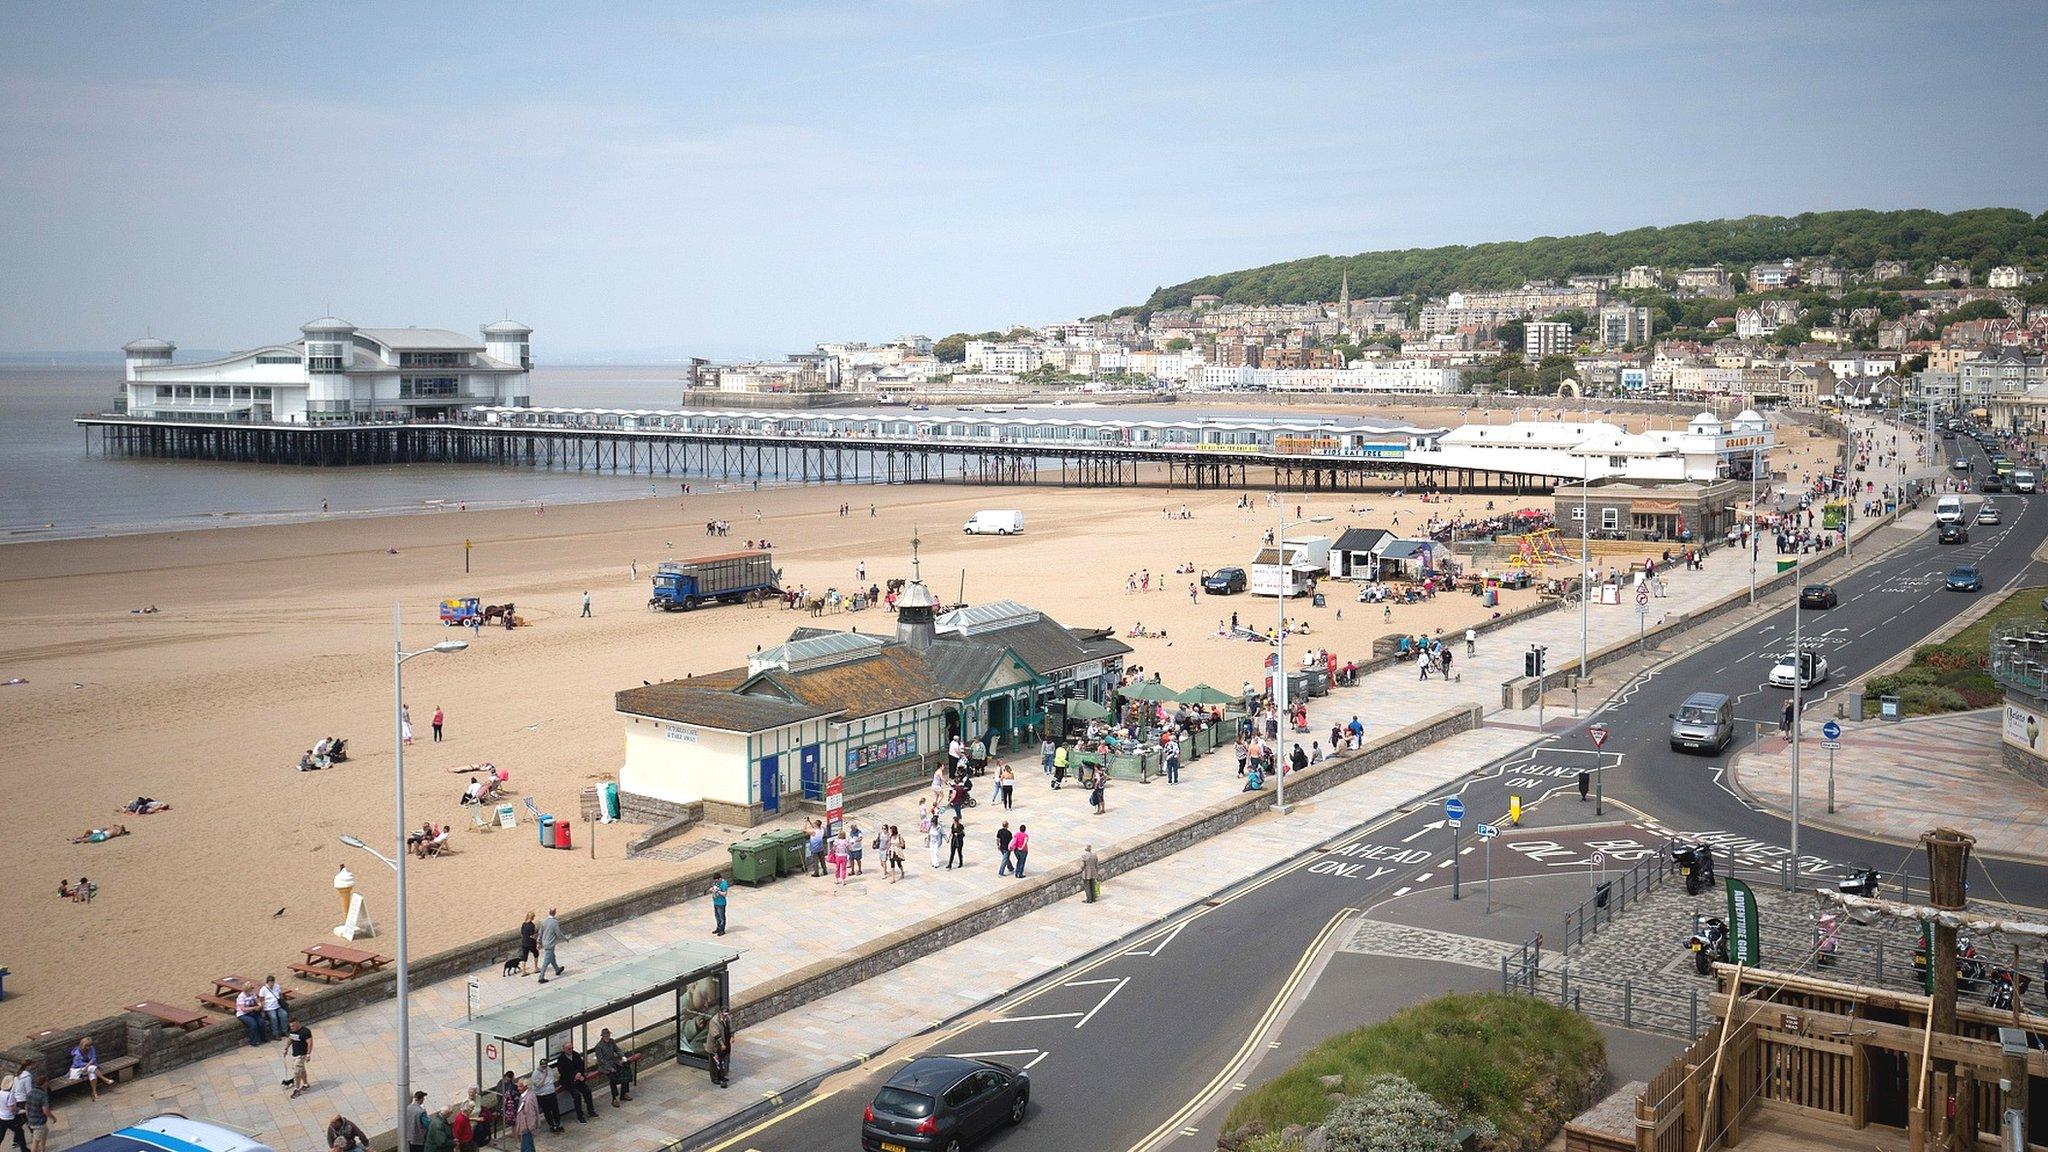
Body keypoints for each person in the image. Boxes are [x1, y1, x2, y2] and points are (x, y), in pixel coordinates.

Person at [554, 1042, 595, 1123]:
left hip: (579, 1079)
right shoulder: (561, 1059)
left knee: (587, 1091)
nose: (571, 1050)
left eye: (572, 1048)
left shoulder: (575, 1054)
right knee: (576, 1095)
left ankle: (591, 1110)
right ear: (564, 1049)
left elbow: (581, 1065)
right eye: (569, 1049)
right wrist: (575, 1075)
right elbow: (563, 1072)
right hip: (568, 1081)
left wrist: (579, 1073)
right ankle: (580, 1116)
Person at [594, 1028, 634, 1105]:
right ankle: (614, 1098)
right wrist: (609, 1068)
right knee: (612, 1079)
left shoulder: (611, 1041)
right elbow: (601, 1060)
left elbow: (617, 1050)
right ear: (602, 1036)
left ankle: (624, 1093)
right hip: (605, 1066)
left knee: (624, 1073)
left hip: (613, 1062)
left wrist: (623, 1057)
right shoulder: (599, 1046)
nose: (608, 1037)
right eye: (606, 1036)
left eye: (608, 1035)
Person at [14, 1079, 46, 1152]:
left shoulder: (16, 1079)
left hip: (19, 1102)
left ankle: (40, 1148)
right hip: (22, 1103)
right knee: (23, 1126)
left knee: (20, 1126)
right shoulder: (26, 1076)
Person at [532, 1057, 562, 1134]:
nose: (544, 1068)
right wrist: (544, 1076)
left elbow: (552, 1079)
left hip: (551, 1093)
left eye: (545, 1066)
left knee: (555, 1109)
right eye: (543, 1066)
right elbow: (538, 1085)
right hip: (542, 1095)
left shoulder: (549, 1070)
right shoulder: (535, 1074)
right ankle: (551, 1125)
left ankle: (558, 1123)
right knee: (547, 1111)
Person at [284, 1017, 313, 1097]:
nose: (292, 1028)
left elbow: (310, 1043)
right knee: (301, 1070)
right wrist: (286, 1048)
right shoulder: (291, 1030)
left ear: (297, 1023)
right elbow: (290, 1039)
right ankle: (306, 1084)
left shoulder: (305, 1031)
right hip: (295, 1054)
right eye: (291, 1026)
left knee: (297, 1072)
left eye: (293, 1026)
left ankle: (296, 1089)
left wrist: (308, 1054)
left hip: (302, 1055)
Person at [707, 1008, 734, 1088]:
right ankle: (715, 1078)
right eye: (724, 1015)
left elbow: (731, 1028)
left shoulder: (727, 1018)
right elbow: (716, 1035)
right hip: (715, 1046)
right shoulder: (714, 1021)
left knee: (722, 1061)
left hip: (725, 1043)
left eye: (727, 1015)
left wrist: (732, 1036)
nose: (726, 1016)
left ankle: (722, 1076)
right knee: (715, 1062)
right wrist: (722, 1044)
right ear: (720, 1013)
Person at [538, 908, 565, 982]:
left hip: (545, 942)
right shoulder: (554, 922)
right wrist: (565, 938)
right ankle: (541, 977)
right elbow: (558, 933)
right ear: (555, 913)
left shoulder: (544, 921)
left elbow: (540, 933)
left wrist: (538, 942)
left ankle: (557, 969)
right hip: (550, 944)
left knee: (552, 957)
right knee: (547, 961)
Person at [515, 1079, 540, 1152]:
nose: (518, 1088)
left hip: (526, 1126)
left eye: (520, 1086)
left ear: (525, 1087)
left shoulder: (528, 1099)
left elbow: (531, 1115)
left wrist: (531, 1127)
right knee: (528, 1146)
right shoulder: (528, 1095)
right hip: (525, 1126)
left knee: (526, 1148)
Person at [260, 975, 288, 1041]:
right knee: (273, 1018)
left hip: (278, 1006)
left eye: (272, 982)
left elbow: (280, 994)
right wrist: (263, 1010)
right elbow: (261, 1000)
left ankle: (285, 1031)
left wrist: (282, 1001)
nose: (272, 984)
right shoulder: (263, 989)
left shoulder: (277, 986)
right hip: (269, 1008)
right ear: (267, 982)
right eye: (270, 983)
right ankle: (275, 1034)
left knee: (284, 1014)